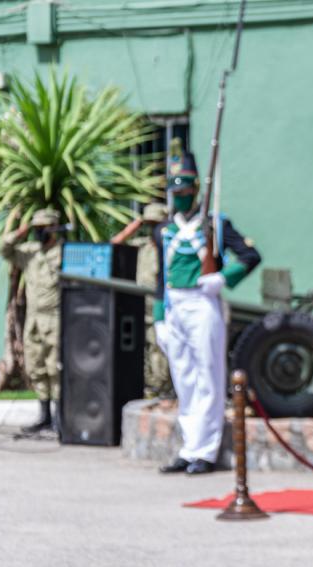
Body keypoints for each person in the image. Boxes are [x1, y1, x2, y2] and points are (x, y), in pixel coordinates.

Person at [155, 151, 261, 475]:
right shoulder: (163, 229)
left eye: (186, 192)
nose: (181, 198)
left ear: (196, 189)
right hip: (175, 306)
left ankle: (206, 450)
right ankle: (189, 448)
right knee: (183, 379)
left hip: (203, 302)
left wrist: (222, 278)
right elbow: (160, 276)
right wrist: (159, 317)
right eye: (176, 193)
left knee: (208, 377)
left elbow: (250, 255)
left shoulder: (215, 222)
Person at [2, 208, 65, 434]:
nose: (39, 233)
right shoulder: (29, 252)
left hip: (54, 317)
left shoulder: (63, 252)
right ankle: (44, 415)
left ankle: (60, 418)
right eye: (37, 229)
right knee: (36, 367)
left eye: (43, 228)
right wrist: (23, 229)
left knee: (55, 368)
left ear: (53, 229)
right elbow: (5, 249)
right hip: (34, 319)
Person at [111, 202, 174, 399]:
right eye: (149, 225)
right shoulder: (143, 246)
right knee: (145, 355)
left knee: (159, 356)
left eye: (155, 224)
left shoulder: (171, 248)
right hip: (140, 311)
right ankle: (150, 392)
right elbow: (114, 244)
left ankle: (162, 392)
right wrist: (136, 224)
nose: (152, 229)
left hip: (160, 311)